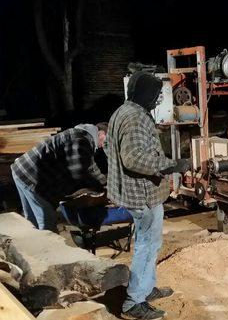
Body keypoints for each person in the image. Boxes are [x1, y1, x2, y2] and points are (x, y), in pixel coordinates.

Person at [107, 71, 190, 319]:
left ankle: (145, 288)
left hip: (135, 191)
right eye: (155, 94)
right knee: (147, 245)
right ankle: (134, 302)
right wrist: (171, 165)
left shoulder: (123, 111)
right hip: (142, 194)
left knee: (150, 244)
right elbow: (134, 158)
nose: (157, 100)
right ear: (144, 93)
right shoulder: (134, 118)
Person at [11, 123, 108, 232]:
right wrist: (100, 188)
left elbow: (90, 167)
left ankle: (32, 246)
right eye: (105, 141)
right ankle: (48, 248)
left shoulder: (81, 136)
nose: (103, 146)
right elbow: (79, 172)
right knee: (47, 222)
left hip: (21, 170)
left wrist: (104, 182)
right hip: (32, 176)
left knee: (31, 221)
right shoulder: (82, 139)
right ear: (101, 133)